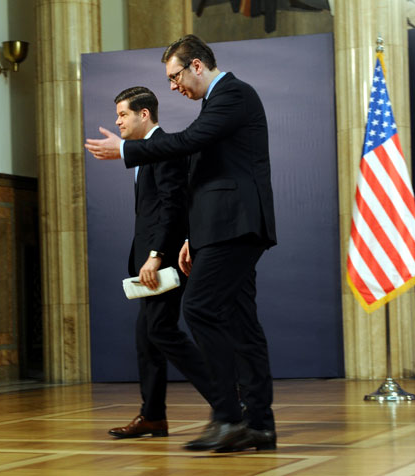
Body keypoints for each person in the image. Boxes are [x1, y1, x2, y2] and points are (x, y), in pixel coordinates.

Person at [86, 35, 277, 453]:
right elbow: (204, 175)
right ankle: (260, 425)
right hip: (222, 227)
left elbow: (189, 142)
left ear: (196, 66)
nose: (173, 86)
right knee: (242, 324)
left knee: (199, 308)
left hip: (236, 224)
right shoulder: (217, 102)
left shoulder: (233, 93)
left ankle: (228, 417)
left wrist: (127, 149)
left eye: (175, 77)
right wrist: (193, 235)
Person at [105, 86, 215, 440]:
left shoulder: (164, 149)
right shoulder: (145, 153)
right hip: (150, 261)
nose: (118, 121)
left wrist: (156, 256)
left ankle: (226, 397)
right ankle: (152, 417)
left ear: (144, 114)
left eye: (123, 114)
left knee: (160, 331)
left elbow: (172, 208)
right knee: (147, 338)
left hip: (163, 261)